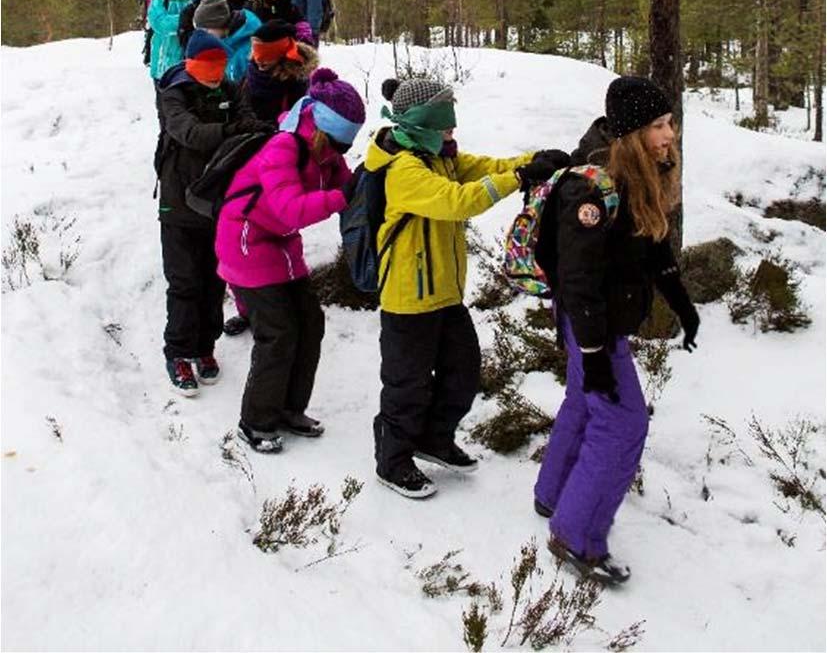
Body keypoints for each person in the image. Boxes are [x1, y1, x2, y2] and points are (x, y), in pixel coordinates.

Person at [533, 75, 700, 586]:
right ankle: (575, 534)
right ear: (631, 133)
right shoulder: (592, 186)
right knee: (625, 422)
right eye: (658, 125)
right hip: (591, 322)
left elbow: (650, 245)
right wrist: (595, 351)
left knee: (587, 402)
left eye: (670, 122)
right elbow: (580, 283)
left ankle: (553, 492)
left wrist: (681, 304)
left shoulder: (635, 173)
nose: (669, 133)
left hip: (599, 322)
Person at [367, 77, 564, 499]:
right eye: (445, 128)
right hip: (407, 300)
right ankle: (393, 459)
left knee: (463, 372)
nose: (452, 135)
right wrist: (519, 177)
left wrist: (537, 159)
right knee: (407, 385)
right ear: (422, 125)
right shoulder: (403, 170)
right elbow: (460, 201)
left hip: (444, 294)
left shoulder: (441, 157)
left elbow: (491, 167)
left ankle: (433, 439)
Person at [215, 68, 366, 453]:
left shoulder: (325, 151)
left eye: (347, 147)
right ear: (319, 126)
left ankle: (289, 409)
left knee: (310, 322)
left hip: (280, 243)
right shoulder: (283, 147)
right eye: (337, 143)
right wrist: (343, 197)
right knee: (278, 332)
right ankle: (256, 421)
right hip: (246, 239)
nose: (340, 153)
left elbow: (344, 184)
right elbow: (292, 209)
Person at [155, 30, 270, 394]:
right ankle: (178, 352)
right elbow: (188, 132)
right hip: (178, 199)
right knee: (184, 280)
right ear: (191, 64)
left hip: (219, 198)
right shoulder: (174, 93)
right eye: (208, 65)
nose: (216, 72)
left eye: (220, 65)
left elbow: (247, 118)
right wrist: (232, 129)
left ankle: (205, 347)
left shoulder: (231, 88)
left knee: (214, 278)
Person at [221, 19, 320, 337]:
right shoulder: (253, 73)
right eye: (254, 50)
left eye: (263, 52)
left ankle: (284, 293)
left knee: (281, 229)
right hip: (247, 158)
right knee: (240, 236)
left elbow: (302, 122)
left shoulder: (298, 81)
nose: (256, 57)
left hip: (281, 163)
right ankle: (246, 306)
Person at [186, 0, 261, 83]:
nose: (204, 36)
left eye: (205, 30)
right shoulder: (219, 43)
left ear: (217, 24)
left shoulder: (248, 48)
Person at [147, 0, 197, 87]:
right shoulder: (160, 0)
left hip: (192, 67)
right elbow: (161, 24)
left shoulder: (195, 0)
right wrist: (188, 19)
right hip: (164, 69)